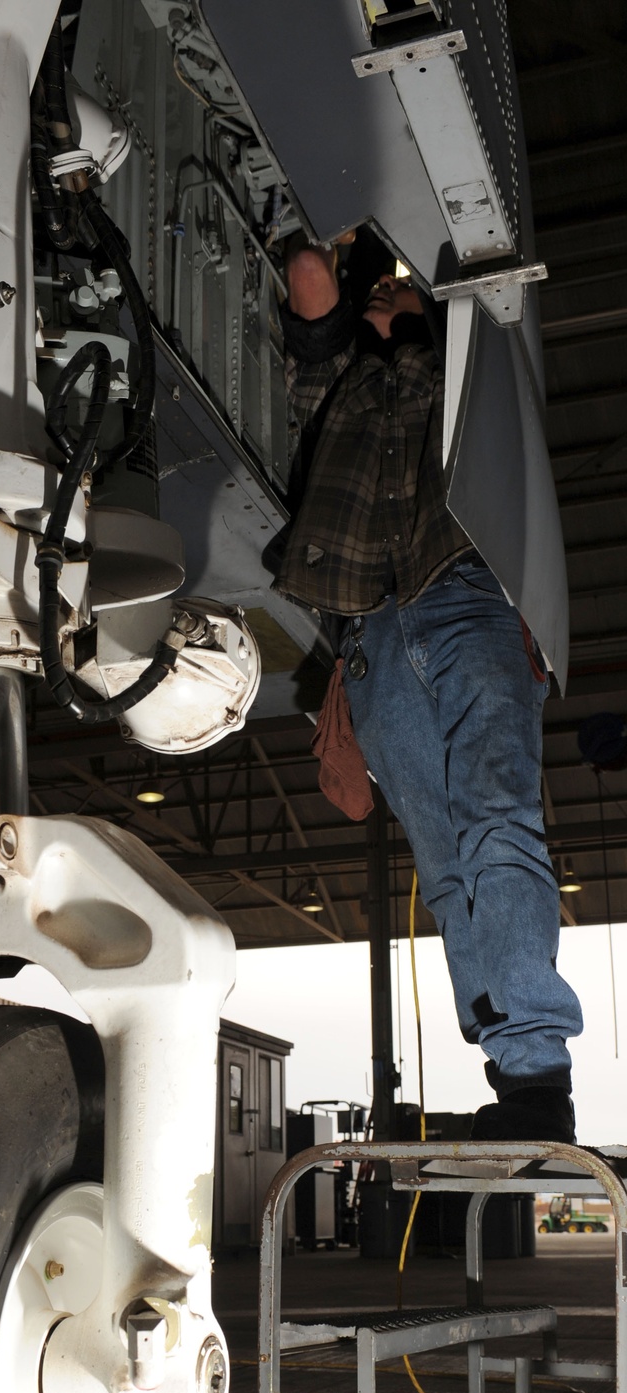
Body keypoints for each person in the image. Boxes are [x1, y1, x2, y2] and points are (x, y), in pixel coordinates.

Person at [273, 233, 582, 1142]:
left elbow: (488, 331)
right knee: (450, 866)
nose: (387, 299)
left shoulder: (471, 366)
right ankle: (514, 1077)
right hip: (372, 630)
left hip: (470, 595)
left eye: (400, 293)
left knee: (497, 819)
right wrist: (339, 269)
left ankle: (539, 1072)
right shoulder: (344, 384)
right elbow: (311, 296)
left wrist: (413, 299)